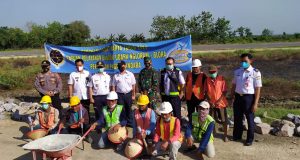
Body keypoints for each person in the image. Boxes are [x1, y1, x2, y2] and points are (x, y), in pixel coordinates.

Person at [231, 53, 262, 146]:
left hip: (248, 98)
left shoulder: (255, 72)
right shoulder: (237, 71)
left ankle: (249, 139)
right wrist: (231, 95)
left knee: (249, 119)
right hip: (238, 97)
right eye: (242, 61)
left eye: (245, 61)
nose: (243, 63)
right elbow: (234, 84)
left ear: (251, 61)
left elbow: (258, 89)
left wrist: (255, 103)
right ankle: (237, 136)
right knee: (237, 118)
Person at [204, 65, 229, 142]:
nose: (212, 73)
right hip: (211, 103)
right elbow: (206, 91)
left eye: (213, 72)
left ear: (217, 71)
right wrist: (210, 101)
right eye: (210, 72)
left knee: (224, 119)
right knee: (211, 119)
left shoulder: (222, 79)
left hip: (221, 103)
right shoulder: (207, 80)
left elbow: (224, 92)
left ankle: (225, 135)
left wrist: (218, 101)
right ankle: (212, 133)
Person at [111, 60, 136, 127]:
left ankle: (130, 124)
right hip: (119, 95)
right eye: (119, 66)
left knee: (129, 109)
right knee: (121, 110)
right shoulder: (116, 76)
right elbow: (113, 86)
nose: (121, 67)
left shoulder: (130, 74)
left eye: (122, 66)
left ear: (125, 65)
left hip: (128, 94)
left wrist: (133, 95)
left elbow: (133, 85)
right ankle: (122, 123)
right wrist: (114, 97)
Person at [185, 59, 206, 126]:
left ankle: (200, 126)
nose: (195, 69)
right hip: (190, 98)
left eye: (196, 67)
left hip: (199, 98)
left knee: (200, 113)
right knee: (190, 113)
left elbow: (206, 87)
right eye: (193, 67)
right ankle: (191, 125)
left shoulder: (203, 76)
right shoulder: (189, 75)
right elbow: (186, 85)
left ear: (200, 67)